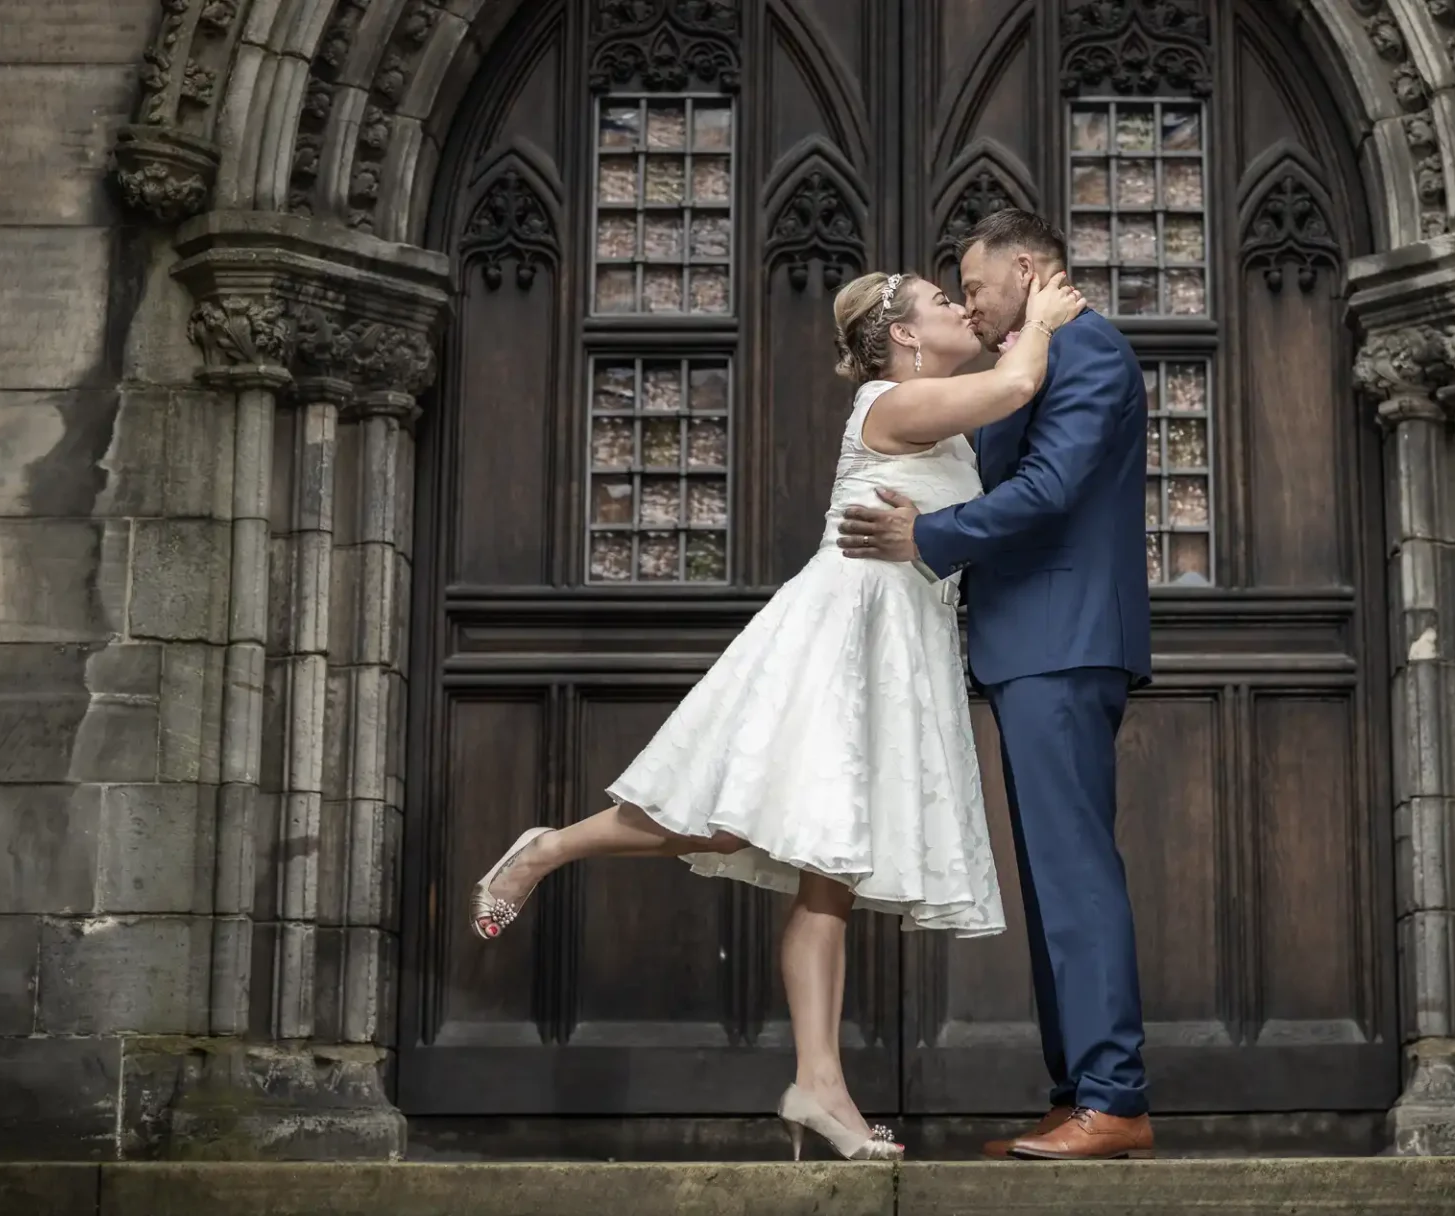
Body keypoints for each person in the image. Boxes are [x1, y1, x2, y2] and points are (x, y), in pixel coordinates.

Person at [468, 265, 1088, 1162]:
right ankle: (549, 847)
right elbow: (1019, 383)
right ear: (906, 336)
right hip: (840, 633)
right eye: (944, 301)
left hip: (897, 644)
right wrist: (1043, 315)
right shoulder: (886, 402)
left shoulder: (942, 413)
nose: (961, 308)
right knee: (735, 824)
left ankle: (818, 1087)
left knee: (825, 867)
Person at [838, 208, 1155, 1161]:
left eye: (974, 288)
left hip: (1064, 639)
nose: (969, 307)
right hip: (1032, 644)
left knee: (1076, 873)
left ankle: (1115, 1098)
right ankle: (1079, 1092)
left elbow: (1051, 487)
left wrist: (925, 541)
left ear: (1027, 270)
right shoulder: (1036, 353)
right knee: (1056, 878)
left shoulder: (1088, 348)